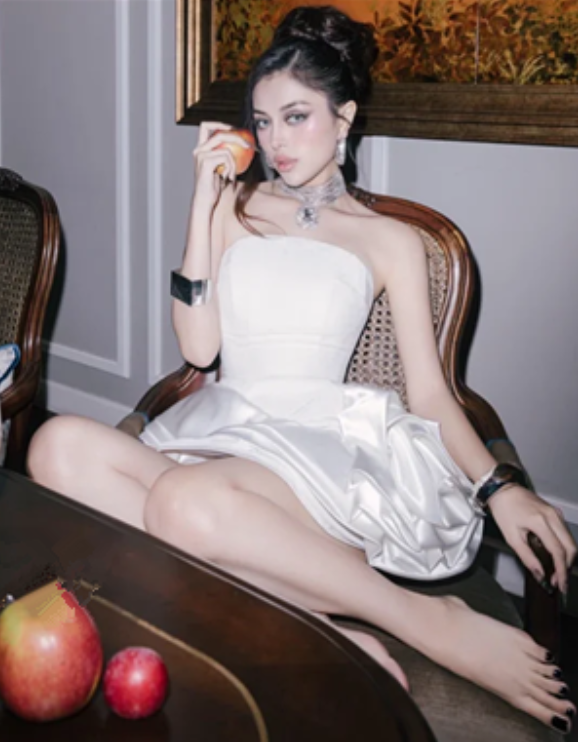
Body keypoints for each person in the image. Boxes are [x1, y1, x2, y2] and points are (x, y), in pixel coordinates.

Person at [28, 5, 576, 734]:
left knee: (181, 503)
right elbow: (199, 348)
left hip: (314, 456)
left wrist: (500, 488)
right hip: (222, 431)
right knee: (55, 445)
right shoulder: (237, 207)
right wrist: (204, 201)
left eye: (296, 117)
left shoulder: (391, 240)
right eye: (262, 122)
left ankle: (424, 620)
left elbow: (430, 393)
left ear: (343, 119)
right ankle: (320, 623)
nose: (276, 141)